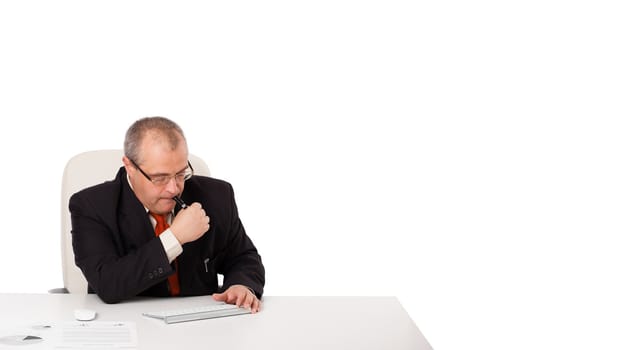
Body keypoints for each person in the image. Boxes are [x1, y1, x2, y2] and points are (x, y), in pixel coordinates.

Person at [69, 117, 265, 312]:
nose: (174, 189)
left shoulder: (216, 196)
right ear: (129, 166)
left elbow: (243, 257)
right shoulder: (90, 206)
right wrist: (175, 238)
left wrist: (241, 285)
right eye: (160, 178)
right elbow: (108, 284)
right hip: (129, 326)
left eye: (181, 174)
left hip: (200, 328)